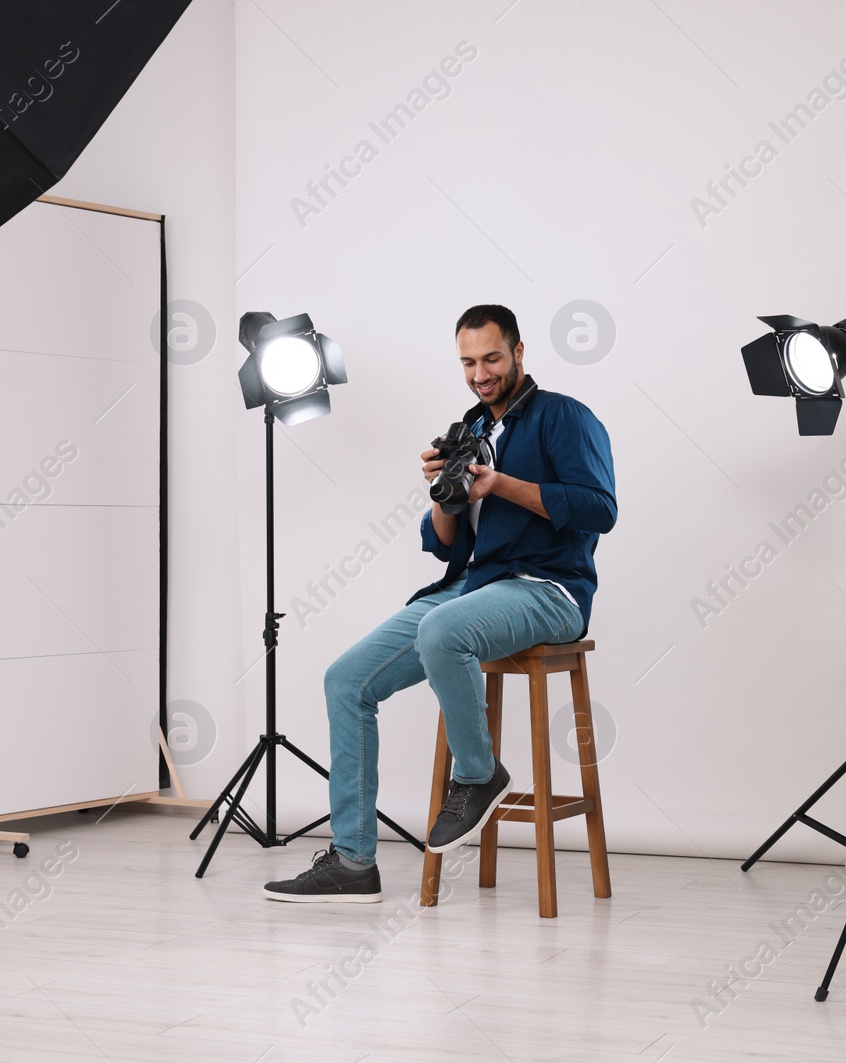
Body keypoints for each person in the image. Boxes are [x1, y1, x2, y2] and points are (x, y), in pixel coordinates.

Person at [264, 304, 616, 903]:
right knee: (346, 680)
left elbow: (598, 509)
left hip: (549, 590)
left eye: (492, 359)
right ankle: (353, 863)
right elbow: (445, 546)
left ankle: (479, 776)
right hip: (474, 586)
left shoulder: (564, 417)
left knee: (442, 630)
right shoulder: (471, 428)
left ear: (520, 352)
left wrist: (497, 484)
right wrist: (445, 494)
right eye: (469, 362)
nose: (481, 373)